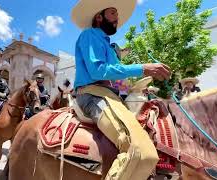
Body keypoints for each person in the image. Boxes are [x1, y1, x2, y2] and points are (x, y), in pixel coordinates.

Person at [71, 0, 171, 179]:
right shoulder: (90, 35)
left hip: (109, 95)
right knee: (139, 150)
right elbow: (98, 71)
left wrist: (140, 87)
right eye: (112, 13)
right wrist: (143, 68)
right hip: (93, 95)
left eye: (117, 14)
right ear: (99, 17)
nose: (117, 18)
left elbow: (118, 81)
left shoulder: (106, 43)